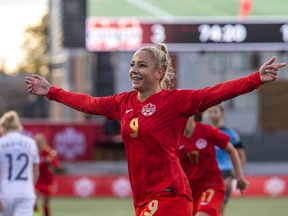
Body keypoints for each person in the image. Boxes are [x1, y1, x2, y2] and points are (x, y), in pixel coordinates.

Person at [25, 43, 286, 216]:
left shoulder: (174, 102)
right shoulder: (123, 102)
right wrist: (52, 91)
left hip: (169, 193)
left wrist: (255, 79)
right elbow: (89, 103)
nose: (134, 71)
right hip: (143, 196)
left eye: (141, 65)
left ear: (160, 72)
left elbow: (215, 93)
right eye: (132, 64)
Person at [179, 114, 248, 216]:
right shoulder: (174, 137)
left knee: (203, 214)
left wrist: (240, 177)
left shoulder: (207, 131)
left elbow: (232, 150)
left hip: (211, 185)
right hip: (189, 191)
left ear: (194, 114)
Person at [205, 104, 246, 215]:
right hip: (206, 173)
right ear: (206, 115)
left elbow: (241, 154)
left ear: (221, 114)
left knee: (219, 205)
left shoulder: (231, 134)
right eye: (210, 111)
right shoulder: (203, 132)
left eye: (215, 111)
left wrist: (236, 173)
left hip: (225, 171)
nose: (212, 114)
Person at [0, 111, 40, 216]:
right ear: (18, 126)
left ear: (3, 126)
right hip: (25, 192)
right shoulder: (31, 143)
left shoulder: (1, 143)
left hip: (5, 192)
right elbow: (36, 173)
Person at [33, 133, 60, 216]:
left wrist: (51, 161)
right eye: (37, 142)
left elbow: (57, 167)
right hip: (37, 179)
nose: (39, 144)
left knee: (46, 203)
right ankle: (36, 212)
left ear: (44, 142)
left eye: (41, 142)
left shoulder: (49, 153)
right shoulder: (33, 152)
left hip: (47, 180)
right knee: (33, 198)